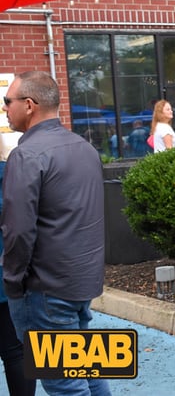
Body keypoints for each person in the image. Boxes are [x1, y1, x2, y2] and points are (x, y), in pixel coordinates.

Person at [1, 70, 109, 396]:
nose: (5, 109)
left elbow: (18, 231)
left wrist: (13, 280)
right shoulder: (84, 148)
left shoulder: (27, 155)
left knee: (66, 385)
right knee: (87, 371)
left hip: (45, 290)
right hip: (79, 283)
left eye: (8, 102)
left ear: (29, 105)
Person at [0, 138, 36, 396]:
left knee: (16, 352)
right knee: (16, 351)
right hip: (9, 276)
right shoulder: (12, 173)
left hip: (8, 279)